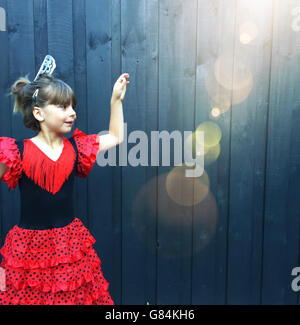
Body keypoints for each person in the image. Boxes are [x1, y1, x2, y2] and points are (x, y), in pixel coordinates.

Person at [0, 71, 129, 305]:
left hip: (70, 246)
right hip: (26, 251)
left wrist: (115, 101)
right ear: (39, 113)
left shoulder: (77, 148)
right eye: (62, 107)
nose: (72, 113)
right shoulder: (14, 153)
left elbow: (115, 136)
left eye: (72, 106)